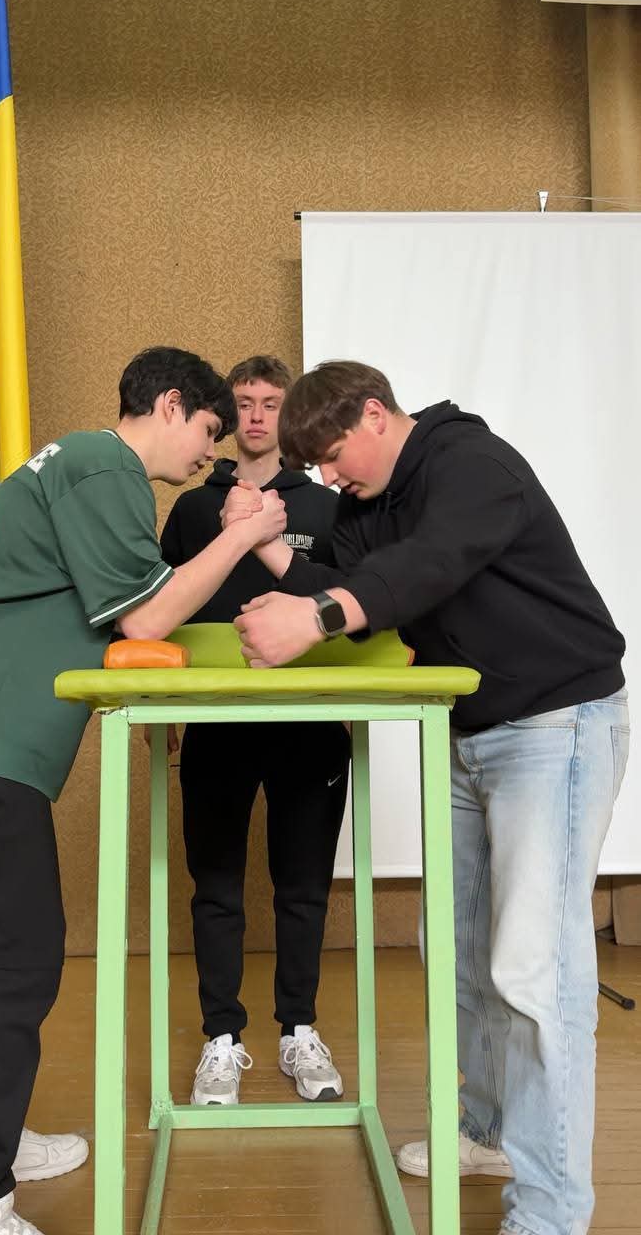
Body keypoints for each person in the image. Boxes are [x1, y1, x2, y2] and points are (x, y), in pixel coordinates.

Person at [227, 360, 629, 1235]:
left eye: (334, 454)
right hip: (469, 732)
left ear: (375, 414)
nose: (331, 476)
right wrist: (266, 551)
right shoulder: (371, 502)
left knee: (535, 969)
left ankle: (552, 1213)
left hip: (555, 726)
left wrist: (317, 617)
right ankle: (486, 1133)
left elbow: (430, 564)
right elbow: (350, 582)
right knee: (460, 950)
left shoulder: (470, 463)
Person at [0, 346, 286, 1235]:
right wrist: (242, 535)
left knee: (20, 957)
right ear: (169, 404)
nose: (209, 450)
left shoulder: (83, 467)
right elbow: (146, 615)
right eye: (207, 428)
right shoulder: (103, 464)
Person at [160, 355, 350, 1107]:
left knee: (303, 887)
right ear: (228, 412)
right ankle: (221, 1038)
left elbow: (350, 606)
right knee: (215, 888)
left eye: (272, 402)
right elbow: (162, 610)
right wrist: (164, 710)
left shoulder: (327, 506)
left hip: (309, 723)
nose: (258, 415)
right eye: (245, 402)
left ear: (289, 411)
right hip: (216, 723)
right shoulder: (192, 509)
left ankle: (299, 1031)